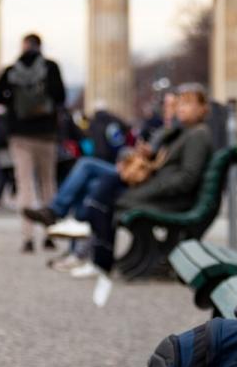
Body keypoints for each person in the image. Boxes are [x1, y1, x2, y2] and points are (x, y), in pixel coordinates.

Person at [80, 83, 214, 308]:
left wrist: (147, 191)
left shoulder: (198, 135)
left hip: (175, 202)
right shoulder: (186, 132)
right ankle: (96, 247)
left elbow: (186, 178)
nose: (181, 108)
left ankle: (97, 250)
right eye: (179, 103)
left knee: (105, 194)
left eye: (188, 103)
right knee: (105, 189)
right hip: (168, 196)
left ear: (203, 109)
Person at [0, 33, 66, 253]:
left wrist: (11, 98)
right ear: (40, 46)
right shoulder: (51, 67)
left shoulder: (12, 70)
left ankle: (28, 237)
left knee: (25, 186)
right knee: (48, 183)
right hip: (46, 135)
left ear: (23, 46)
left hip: (20, 135)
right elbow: (60, 96)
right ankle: (50, 235)